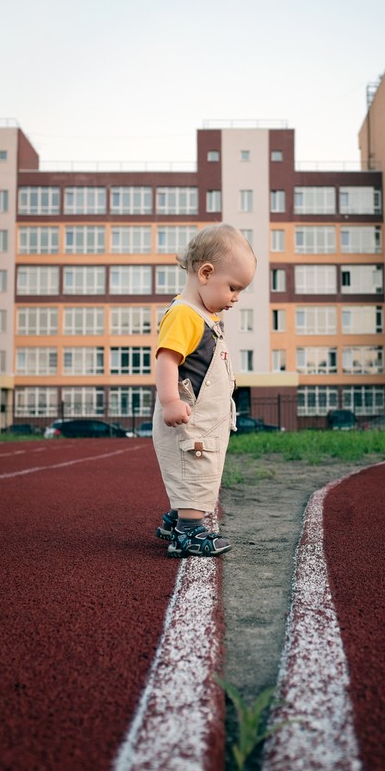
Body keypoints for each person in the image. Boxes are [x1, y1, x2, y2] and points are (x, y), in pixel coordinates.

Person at [152, 224, 257, 557]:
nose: (236, 298)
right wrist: (170, 400)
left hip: (205, 420)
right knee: (195, 470)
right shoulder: (184, 314)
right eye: (233, 288)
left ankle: (176, 518)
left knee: (203, 472)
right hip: (188, 420)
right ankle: (189, 531)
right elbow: (167, 358)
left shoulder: (205, 316)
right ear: (206, 273)